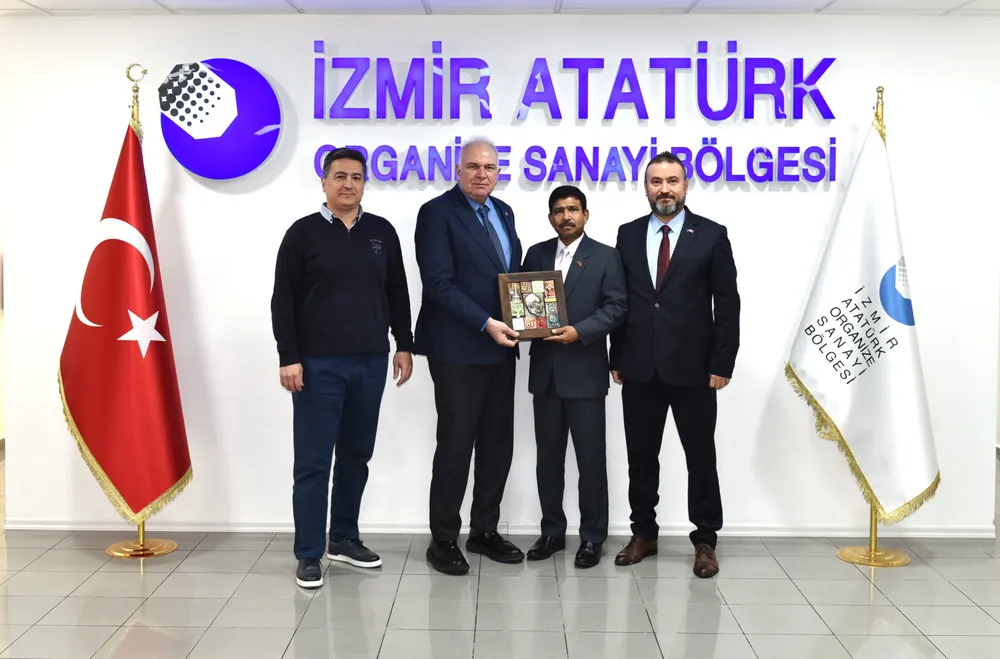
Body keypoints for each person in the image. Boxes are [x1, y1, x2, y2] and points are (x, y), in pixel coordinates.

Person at [270, 147, 414, 589]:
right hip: (317, 366)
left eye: (356, 177)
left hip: (370, 362)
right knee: (313, 462)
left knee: (356, 455)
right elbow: (283, 299)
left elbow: (397, 292)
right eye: (340, 176)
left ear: (364, 183)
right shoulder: (302, 234)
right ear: (324, 182)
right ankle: (309, 552)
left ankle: (344, 538)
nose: (348, 184)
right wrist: (288, 356)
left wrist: (404, 345)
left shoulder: (381, 232)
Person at [609, 151, 740, 578]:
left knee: (700, 458)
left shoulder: (712, 235)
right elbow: (621, 301)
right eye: (656, 181)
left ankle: (705, 540)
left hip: (695, 370)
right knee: (641, 458)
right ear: (646, 187)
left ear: (686, 185)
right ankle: (643, 534)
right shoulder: (628, 234)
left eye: (672, 181)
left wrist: (722, 362)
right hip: (639, 368)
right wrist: (617, 356)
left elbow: (728, 304)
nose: (664, 189)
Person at [413, 137, 524, 575]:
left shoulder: (504, 211)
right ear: (457, 170)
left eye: (490, 167)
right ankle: (443, 539)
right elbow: (438, 285)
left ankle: (484, 531)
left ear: (499, 172)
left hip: (501, 350)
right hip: (458, 350)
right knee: (456, 446)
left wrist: (529, 317)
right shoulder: (437, 213)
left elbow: (508, 277)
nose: (482, 174)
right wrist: (487, 322)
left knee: (497, 445)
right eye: (473, 166)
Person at [521, 186, 627, 568]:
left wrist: (579, 331)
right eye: (559, 210)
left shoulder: (606, 256)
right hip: (546, 376)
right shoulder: (535, 254)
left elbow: (617, 307)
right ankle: (552, 532)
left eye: (573, 209)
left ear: (586, 214)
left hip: (585, 373)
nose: (566, 216)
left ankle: (592, 537)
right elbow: (522, 304)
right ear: (551, 217)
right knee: (548, 460)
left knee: (591, 462)